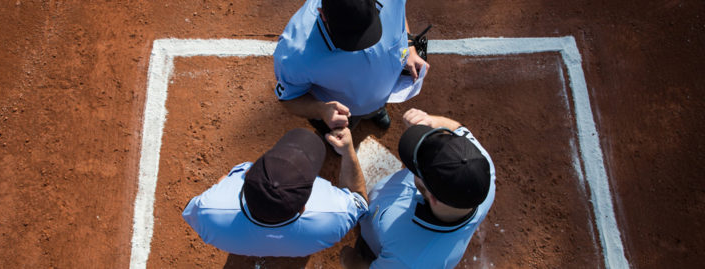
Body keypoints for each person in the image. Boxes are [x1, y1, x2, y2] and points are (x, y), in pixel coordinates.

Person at [340, 108, 496, 268]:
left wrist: (349, 258)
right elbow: (457, 129)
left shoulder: (410, 259)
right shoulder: (480, 166)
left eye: (417, 169)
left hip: (373, 247)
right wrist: (431, 121)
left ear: (433, 198)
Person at [182, 128, 368, 257]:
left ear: (247, 175)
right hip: (302, 245)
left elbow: (192, 211)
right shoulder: (336, 214)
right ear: (302, 208)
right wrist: (347, 151)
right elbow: (359, 199)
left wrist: (225, 184)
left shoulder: (209, 209)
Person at [273, 0, 430, 134]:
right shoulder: (293, 54)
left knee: (374, 107)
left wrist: (410, 47)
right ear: (322, 14)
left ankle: (376, 110)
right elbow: (289, 98)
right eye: (349, 38)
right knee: (341, 132)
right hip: (343, 113)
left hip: (385, 94)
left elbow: (398, 12)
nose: (360, 46)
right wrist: (321, 110)